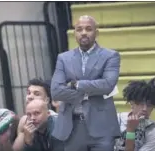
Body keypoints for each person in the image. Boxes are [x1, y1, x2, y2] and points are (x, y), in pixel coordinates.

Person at [51, 15, 121, 151]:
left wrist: (75, 85)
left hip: (102, 126)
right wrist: (87, 94)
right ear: (75, 33)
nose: (83, 32)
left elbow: (107, 85)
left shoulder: (110, 56)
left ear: (96, 32)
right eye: (79, 29)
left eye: (88, 29)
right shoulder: (63, 58)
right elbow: (56, 91)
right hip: (72, 126)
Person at [115, 77, 155, 151]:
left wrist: (130, 130)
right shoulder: (115, 120)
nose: (144, 109)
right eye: (141, 103)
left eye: (149, 105)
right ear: (132, 103)